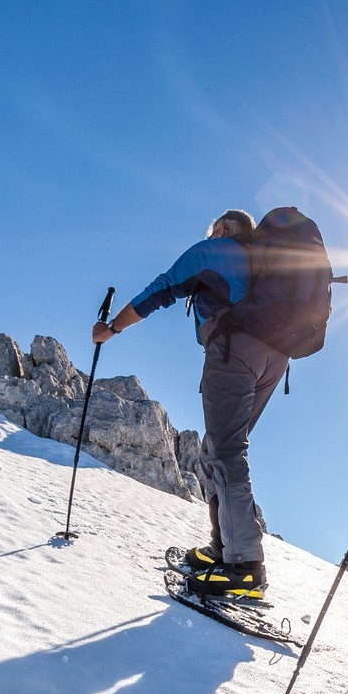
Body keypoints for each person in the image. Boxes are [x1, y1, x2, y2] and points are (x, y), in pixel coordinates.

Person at [93, 209, 279, 601]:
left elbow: (162, 288)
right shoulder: (266, 265)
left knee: (225, 450)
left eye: (213, 229)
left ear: (225, 228)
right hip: (276, 359)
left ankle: (245, 566)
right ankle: (224, 549)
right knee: (219, 447)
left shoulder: (216, 250)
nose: (210, 234)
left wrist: (112, 329)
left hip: (234, 349)